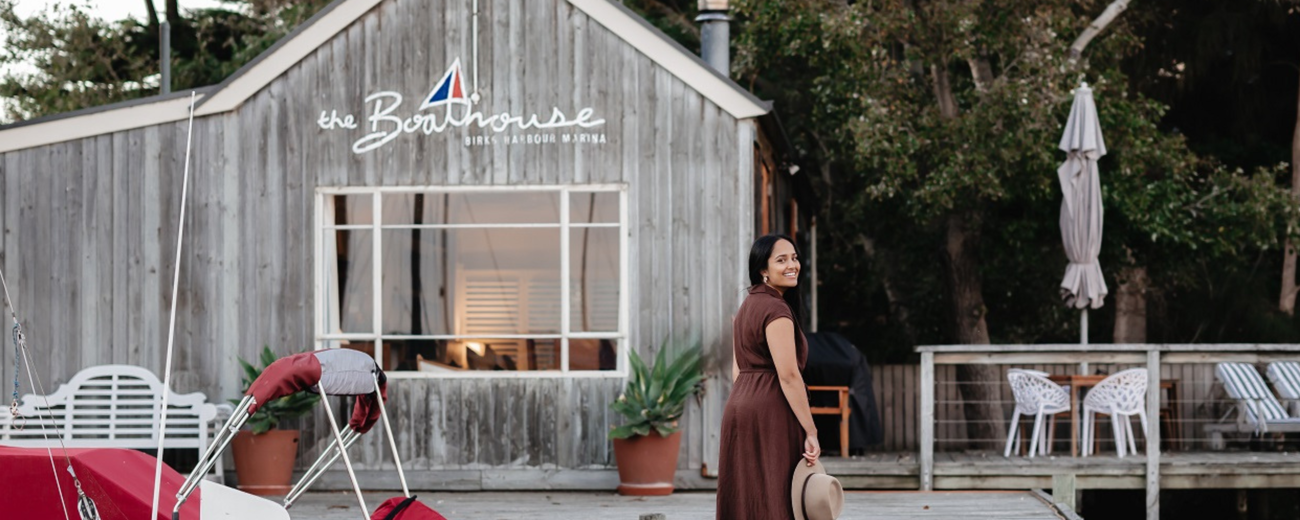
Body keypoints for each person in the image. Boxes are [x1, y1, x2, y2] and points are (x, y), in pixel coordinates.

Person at [716, 234, 820, 519]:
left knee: (746, 494)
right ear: (763, 269)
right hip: (770, 408)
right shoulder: (776, 310)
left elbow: (738, 368)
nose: (792, 265)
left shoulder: (747, 306)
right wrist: (811, 431)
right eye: (781, 260)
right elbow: (788, 376)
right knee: (776, 493)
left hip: (740, 404)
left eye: (795, 258)